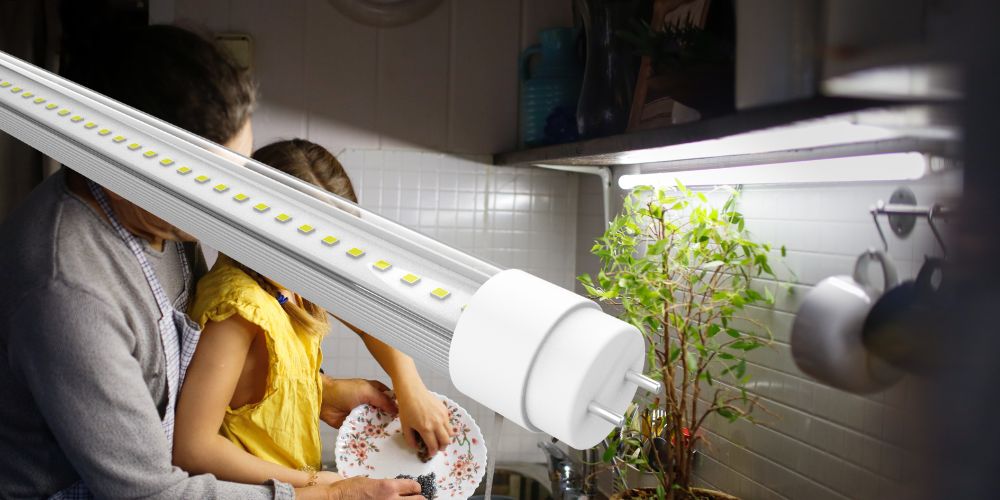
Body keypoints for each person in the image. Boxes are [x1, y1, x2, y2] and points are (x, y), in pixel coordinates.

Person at [0, 25, 422, 499]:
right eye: (213, 181)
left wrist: (316, 390)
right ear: (131, 162)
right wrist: (329, 493)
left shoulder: (161, 215)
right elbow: (152, 494)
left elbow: (191, 378)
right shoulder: (69, 293)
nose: (234, 201)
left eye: (237, 173)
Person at [172, 139, 454, 487]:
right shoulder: (238, 311)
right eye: (314, 246)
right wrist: (319, 484)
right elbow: (193, 448)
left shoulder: (287, 276)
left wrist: (410, 388)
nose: (325, 263)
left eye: (332, 246)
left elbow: (370, 318)